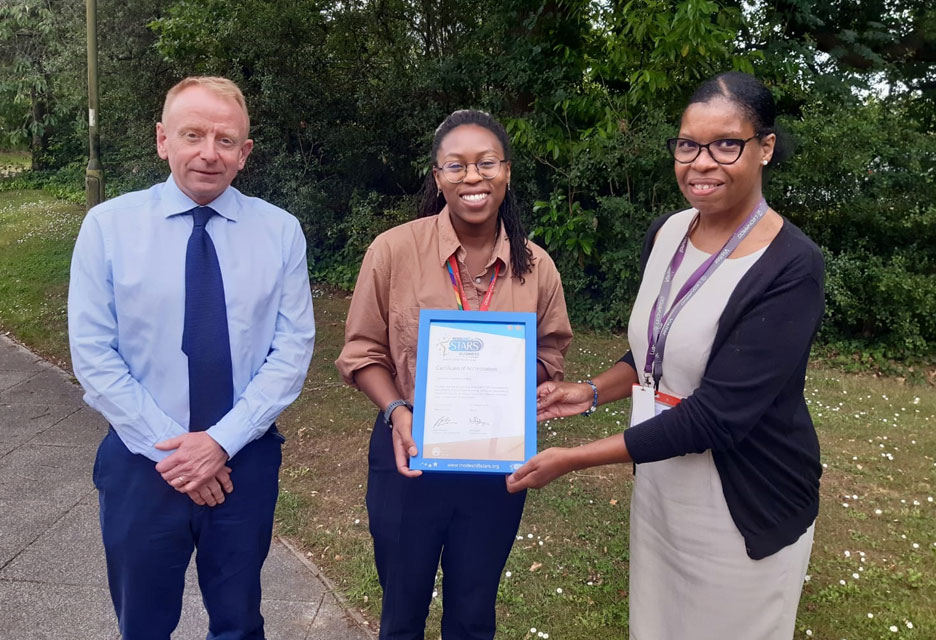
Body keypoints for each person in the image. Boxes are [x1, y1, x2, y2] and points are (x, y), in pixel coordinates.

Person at [506, 72, 824, 639]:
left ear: (765, 147)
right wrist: (592, 391)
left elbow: (717, 415)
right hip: (662, 483)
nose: (701, 162)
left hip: (744, 500)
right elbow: (654, 349)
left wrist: (571, 458)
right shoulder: (669, 232)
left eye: (726, 143)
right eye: (687, 144)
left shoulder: (791, 265)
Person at [68, 76, 315, 639]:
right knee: (143, 624)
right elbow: (93, 355)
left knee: (238, 622)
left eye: (226, 140)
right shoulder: (107, 228)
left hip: (243, 464)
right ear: (162, 140)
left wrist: (220, 443)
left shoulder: (280, 232)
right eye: (193, 134)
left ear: (245, 153)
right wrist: (179, 455)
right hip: (140, 462)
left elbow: (292, 350)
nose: (209, 152)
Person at [336, 109, 573, 639]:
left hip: (495, 466)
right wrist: (397, 411)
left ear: (506, 172)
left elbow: (551, 350)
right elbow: (362, 351)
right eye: (457, 165)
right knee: (401, 614)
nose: (473, 176)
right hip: (408, 455)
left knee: (472, 614)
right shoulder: (394, 251)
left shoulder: (536, 266)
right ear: (438, 175)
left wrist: (517, 382)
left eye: (486, 163)